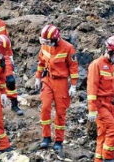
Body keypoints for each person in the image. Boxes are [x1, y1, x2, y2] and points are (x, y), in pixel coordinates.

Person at [35, 24, 79, 153]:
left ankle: (59, 140)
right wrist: (38, 78)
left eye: (48, 41)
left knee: (60, 112)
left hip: (61, 83)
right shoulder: (45, 46)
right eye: (45, 42)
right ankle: (46, 137)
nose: (47, 44)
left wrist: (74, 85)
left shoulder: (68, 48)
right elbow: (41, 62)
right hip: (48, 80)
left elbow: (73, 67)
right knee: (45, 107)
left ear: (55, 39)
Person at [87, 35, 114, 162]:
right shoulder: (96, 65)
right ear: (111, 51)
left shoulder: (111, 66)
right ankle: (108, 158)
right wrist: (92, 109)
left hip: (111, 104)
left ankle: (99, 159)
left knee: (103, 134)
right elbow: (91, 89)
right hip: (100, 105)